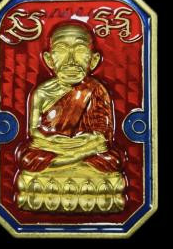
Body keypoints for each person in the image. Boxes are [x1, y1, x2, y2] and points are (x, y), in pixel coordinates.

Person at [16, 22, 124, 173]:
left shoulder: (96, 89)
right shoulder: (42, 92)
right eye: (61, 50)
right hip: (53, 148)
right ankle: (73, 160)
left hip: (87, 148)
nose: (71, 60)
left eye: (80, 50)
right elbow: (33, 131)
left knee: (112, 159)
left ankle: (65, 162)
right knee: (28, 158)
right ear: (48, 59)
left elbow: (104, 133)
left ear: (94, 60)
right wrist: (51, 141)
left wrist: (87, 140)